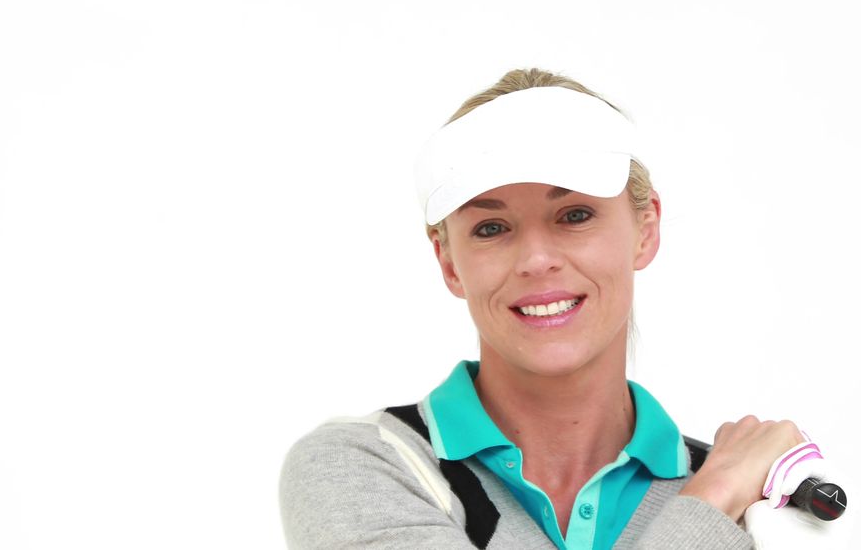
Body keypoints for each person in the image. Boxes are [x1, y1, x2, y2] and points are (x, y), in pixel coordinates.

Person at [279, 68, 809, 549]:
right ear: (449, 261)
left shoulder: (771, 500)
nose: (536, 260)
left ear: (645, 230)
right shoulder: (366, 467)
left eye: (574, 215)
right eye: (491, 228)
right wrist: (713, 500)